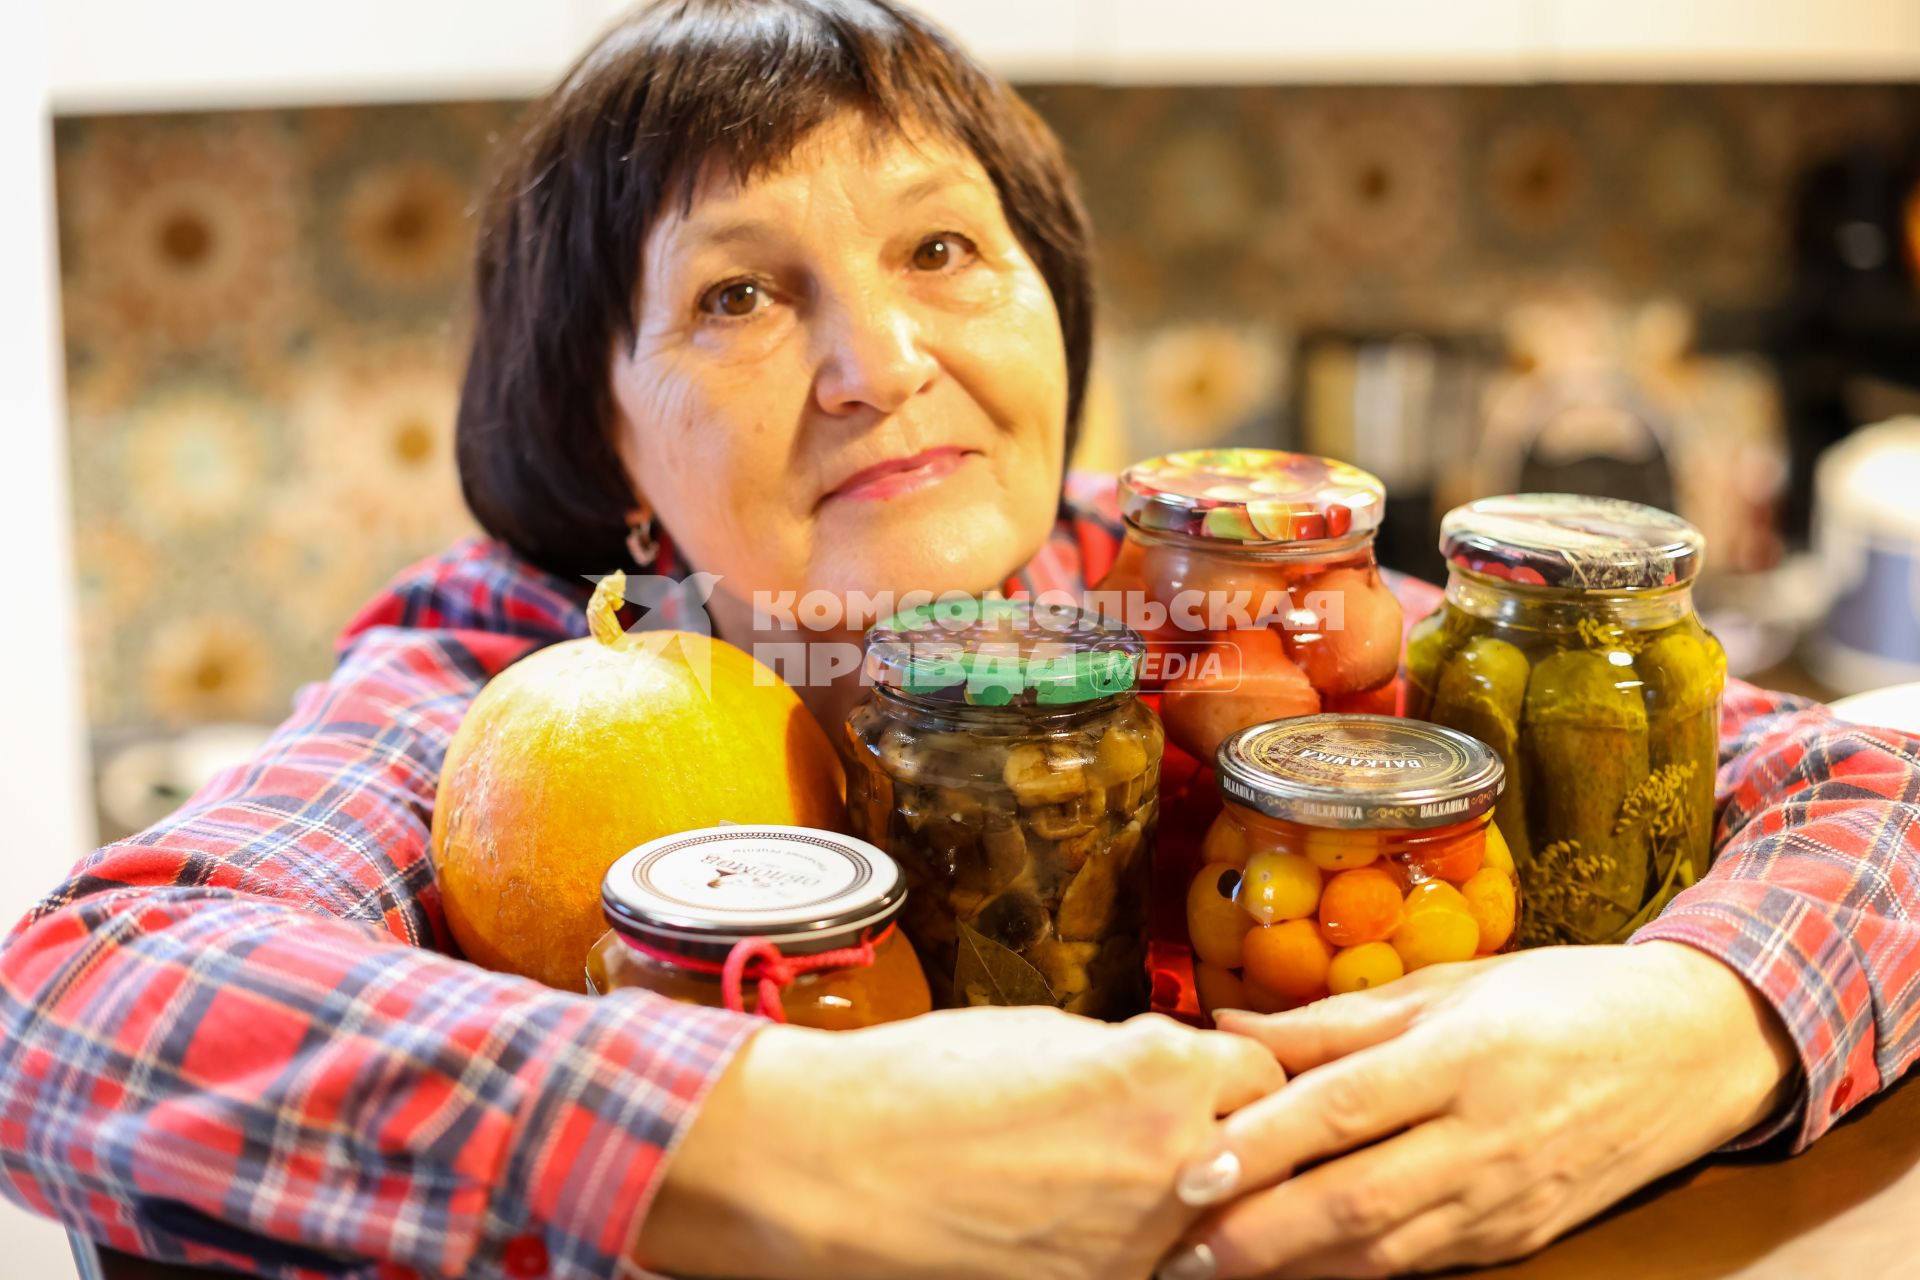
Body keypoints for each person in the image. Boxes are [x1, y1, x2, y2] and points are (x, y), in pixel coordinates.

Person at [1, 3, 1915, 1279]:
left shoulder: (1180, 612)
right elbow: (83, 999)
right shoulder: (506, 677)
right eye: (743, 293)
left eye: (941, 252)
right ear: (605, 433)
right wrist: (770, 1146)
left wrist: (1688, 1029)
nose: (882, 368)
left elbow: (1871, 782)